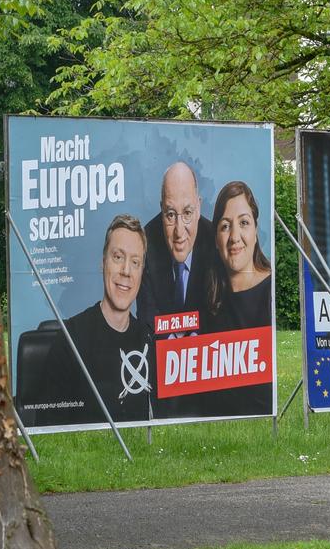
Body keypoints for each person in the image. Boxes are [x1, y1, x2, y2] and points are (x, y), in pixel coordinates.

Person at [55, 214, 155, 425]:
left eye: (135, 262)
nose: (126, 271)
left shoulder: (148, 339)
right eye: (118, 257)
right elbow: (51, 437)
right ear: (103, 263)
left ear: (141, 272)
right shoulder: (69, 339)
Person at [138, 160, 220, 330]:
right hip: (162, 349)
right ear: (162, 210)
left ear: (198, 208)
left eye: (188, 213)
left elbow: (220, 316)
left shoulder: (217, 242)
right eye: (170, 215)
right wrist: (173, 350)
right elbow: (147, 319)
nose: (179, 231)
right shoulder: (145, 243)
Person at [208, 180, 273, 332]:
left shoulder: (272, 292)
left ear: (255, 232)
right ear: (216, 240)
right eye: (225, 226)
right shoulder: (211, 300)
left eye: (244, 222)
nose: (234, 237)